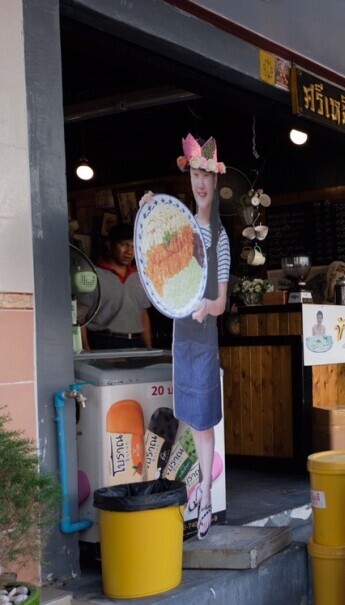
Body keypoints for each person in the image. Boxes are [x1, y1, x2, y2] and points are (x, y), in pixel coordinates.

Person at [140, 134, 230, 540]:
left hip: (204, 334)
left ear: (215, 182)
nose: (201, 182)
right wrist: (148, 208)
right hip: (181, 333)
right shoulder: (182, 223)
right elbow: (159, 245)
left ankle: (206, 496)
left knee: (204, 417)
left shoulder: (220, 237)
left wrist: (205, 307)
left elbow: (222, 302)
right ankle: (193, 490)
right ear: (189, 177)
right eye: (196, 173)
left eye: (207, 175)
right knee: (188, 416)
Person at [82, 223, 152, 350]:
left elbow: (143, 314)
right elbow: (81, 316)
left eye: (133, 246)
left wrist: (148, 348)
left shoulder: (139, 276)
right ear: (109, 244)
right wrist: (86, 351)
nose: (129, 252)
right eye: (123, 244)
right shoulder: (93, 275)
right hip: (104, 342)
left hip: (136, 344)